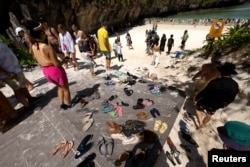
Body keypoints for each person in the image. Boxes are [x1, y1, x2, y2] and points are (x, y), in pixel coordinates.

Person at [29, 22, 73, 110]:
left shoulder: (32, 47)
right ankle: (69, 104)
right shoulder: (46, 47)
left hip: (46, 71)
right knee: (66, 88)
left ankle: (62, 104)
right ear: (41, 34)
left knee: (60, 87)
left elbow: (37, 59)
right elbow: (57, 64)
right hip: (55, 70)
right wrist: (66, 60)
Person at [194, 62, 239, 129]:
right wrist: (226, 103)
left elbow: (206, 91)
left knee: (198, 109)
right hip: (219, 103)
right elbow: (232, 97)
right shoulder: (235, 85)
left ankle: (200, 123)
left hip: (207, 100)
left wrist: (197, 97)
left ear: (222, 72)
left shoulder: (216, 81)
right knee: (209, 114)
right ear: (231, 74)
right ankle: (203, 124)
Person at [0, 41, 36, 109]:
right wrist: (7, 73)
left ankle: (30, 99)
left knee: (23, 85)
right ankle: (27, 106)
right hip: (8, 73)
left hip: (14, 68)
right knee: (17, 89)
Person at [15, 27, 34, 91]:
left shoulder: (26, 36)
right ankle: (29, 84)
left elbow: (30, 43)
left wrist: (30, 50)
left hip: (32, 49)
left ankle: (29, 85)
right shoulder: (23, 37)